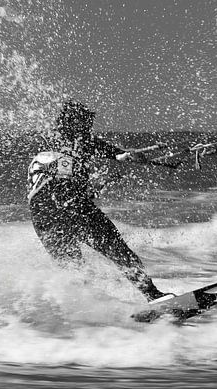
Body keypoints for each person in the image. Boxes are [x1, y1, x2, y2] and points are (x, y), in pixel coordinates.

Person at [27, 100, 169, 301]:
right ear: (74, 123)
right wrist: (130, 156)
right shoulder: (78, 141)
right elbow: (117, 154)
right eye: (86, 122)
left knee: (75, 270)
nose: (89, 127)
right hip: (70, 206)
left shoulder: (49, 146)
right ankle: (154, 297)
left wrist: (126, 158)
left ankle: (92, 315)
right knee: (119, 251)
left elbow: (55, 183)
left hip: (43, 218)